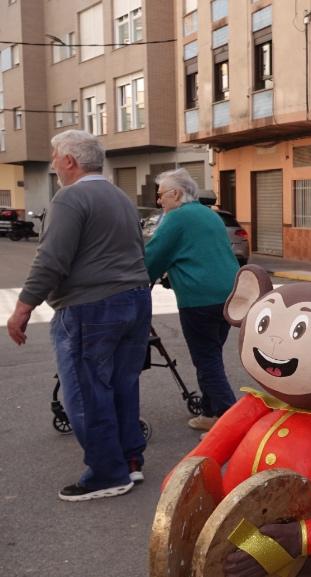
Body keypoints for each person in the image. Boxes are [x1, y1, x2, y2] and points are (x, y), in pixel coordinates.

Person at [6, 130, 151, 501]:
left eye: (55, 156)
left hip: (91, 305)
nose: (53, 163)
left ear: (69, 160)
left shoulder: (70, 198)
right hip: (134, 299)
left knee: (86, 392)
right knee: (122, 385)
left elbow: (51, 260)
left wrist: (23, 307)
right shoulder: (119, 197)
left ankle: (106, 474)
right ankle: (130, 462)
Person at [144, 169, 239, 431]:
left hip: (200, 299)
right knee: (211, 354)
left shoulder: (177, 218)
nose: (159, 200)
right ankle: (209, 412)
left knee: (206, 357)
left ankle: (230, 419)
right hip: (229, 296)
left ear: (176, 193)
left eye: (161, 194)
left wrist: (135, 280)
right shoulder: (210, 215)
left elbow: (152, 258)